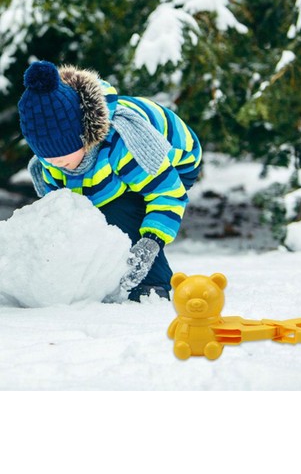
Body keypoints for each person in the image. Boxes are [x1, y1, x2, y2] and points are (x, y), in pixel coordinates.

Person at [17, 60, 202, 302]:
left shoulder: (124, 144)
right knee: (93, 205)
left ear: (84, 137)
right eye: (49, 159)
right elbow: (62, 210)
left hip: (170, 160)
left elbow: (167, 192)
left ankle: (153, 282)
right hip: (108, 167)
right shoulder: (52, 162)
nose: (57, 164)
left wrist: (151, 241)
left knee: (118, 209)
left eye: (63, 156)